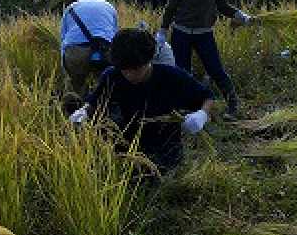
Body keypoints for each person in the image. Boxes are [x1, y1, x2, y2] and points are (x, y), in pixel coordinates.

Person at [71, 28, 215, 170]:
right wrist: (82, 112)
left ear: (149, 60)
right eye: (124, 70)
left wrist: (201, 114)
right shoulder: (112, 76)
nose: (130, 75)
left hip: (165, 148)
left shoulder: (172, 77)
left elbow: (207, 97)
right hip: (125, 143)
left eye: (136, 69)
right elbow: (94, 103)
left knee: (157, 176)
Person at [156, 0, 255, 121]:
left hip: (204, 34)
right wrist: (162, 31)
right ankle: (187, 108)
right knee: (183, 71)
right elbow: (170, 8)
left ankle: (232, 105)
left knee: (216, 69)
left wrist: (240, 15)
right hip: (181, 33)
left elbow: (223, 6)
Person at [60, 0, 118, 98]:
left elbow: (63, 38)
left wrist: (65, 66)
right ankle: (103, 110)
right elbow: (115, 34)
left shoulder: (71, 7)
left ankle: (74, 112)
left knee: (75, 89)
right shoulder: (108, 6)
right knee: (106, 88)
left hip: (76, 51)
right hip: (105, 49)